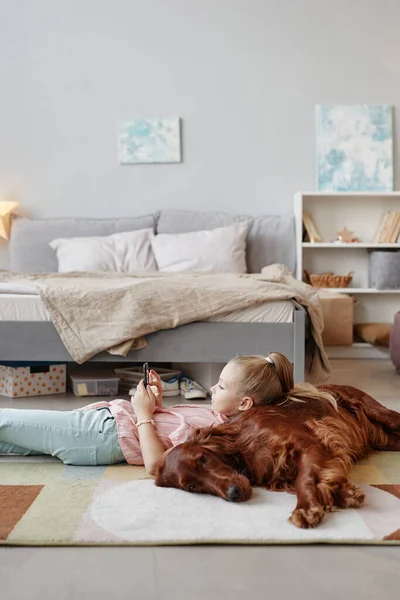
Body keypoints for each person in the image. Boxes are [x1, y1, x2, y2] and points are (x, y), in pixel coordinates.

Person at [0, 353, 335, 473]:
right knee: (9, 438)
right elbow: (165, 430)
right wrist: (157, 404)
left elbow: (157, 464)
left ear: (245, 404)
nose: (213, 389)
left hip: (98, 436)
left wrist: (144, 414)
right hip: (105, 425)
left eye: (221, 385)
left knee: (7, 420)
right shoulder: (220, 417)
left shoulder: (215, 433)